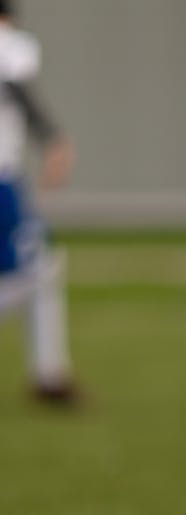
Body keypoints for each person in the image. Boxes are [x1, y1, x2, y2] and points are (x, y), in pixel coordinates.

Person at [0, 0, 76, 402]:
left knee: (39, 271)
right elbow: (15, 84)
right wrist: (52, 138)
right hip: (1, 181)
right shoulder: (8, 40)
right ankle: (49, 377)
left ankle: (49, 374)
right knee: (34, 272)